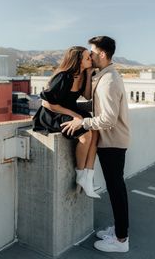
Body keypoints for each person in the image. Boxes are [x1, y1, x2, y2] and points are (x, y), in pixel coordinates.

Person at [61, 36, 130, 253]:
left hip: (113, 141)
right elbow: (93, 99)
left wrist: (83, 122)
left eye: (92, 52)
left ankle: (121, 240)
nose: (90, 55)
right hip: (111, 140)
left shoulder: (110, 80)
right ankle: (119, 232)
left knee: (116, 189)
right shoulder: (105, 75)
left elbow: (108, 119)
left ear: (102, 53)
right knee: (115, 187)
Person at [32, 46, 100, 199]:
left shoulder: (82, 75)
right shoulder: (64, 76)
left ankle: (88, 177)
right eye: (87, 57)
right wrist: (75, 115)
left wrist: (88, 74)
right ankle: (80, 174)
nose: (91, 59)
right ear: (78, 61)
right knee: (86, 135)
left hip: (69, 110)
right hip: (53, 114)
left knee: (95, 131)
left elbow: (88, 95)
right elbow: (46, 103)